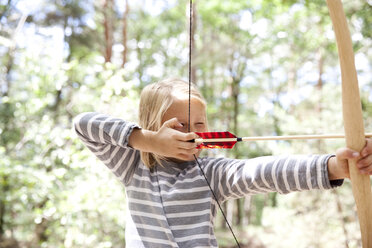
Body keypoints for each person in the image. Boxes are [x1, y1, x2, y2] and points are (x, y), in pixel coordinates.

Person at [73, 78, 372, 248]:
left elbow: (261, 173)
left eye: (199, 124)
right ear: (155, 125)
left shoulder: (213, 172)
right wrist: (149, 141)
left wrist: (332, 167)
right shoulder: (132, 165)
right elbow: (83, 124)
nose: (192, 132)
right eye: (179, 125)